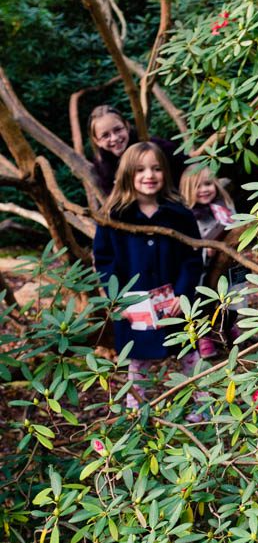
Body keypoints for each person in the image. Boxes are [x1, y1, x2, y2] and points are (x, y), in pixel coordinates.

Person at [93, 142, 204, 410]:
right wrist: (117, 298)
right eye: (140, 170)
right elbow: (104, 261)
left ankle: (201, 407)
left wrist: (183, 293)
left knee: (188, 354)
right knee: (138, 361)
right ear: (127, 174)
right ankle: (137, 410)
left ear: (165, 173)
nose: (149, 175)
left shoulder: (179, 214)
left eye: (156, 169)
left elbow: (193, 257)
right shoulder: (114, 216)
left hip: (174, 302)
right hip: (136, 305)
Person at [179, 166, 242, 358]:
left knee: (232, 299)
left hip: (229, 264)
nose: (204, 189)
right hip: (203, 268)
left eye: (208, 184)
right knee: (203, 302)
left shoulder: (224, 206)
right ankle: (204, 336)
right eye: (197, 186)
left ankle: (228, 327)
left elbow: (236, 228)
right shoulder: (188, 214)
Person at [89, 105, 186, 197]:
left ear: (127, 126)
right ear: (97, 141)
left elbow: (185, 165)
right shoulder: (102, 164)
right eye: (105, 135)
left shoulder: (156, 147)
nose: (114, 138)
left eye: (118, 130)